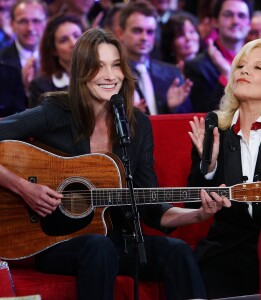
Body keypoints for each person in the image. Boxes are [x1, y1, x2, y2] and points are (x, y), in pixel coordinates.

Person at [0, 28, 231, 300]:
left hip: (118, 240)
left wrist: (198, 214)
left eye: (116, 65)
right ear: (81, 72)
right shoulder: (56, 112)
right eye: (98, 67)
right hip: (53, 242)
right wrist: (25, 188)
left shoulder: (137, 124)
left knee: (176, 252)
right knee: (99, 247)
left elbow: (150, 207)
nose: (110, 76)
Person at [187, 38, 261, 298]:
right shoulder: (215, 127)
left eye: (258, 67)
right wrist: (209, 168)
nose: (244, 71)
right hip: (228, 248)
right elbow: (194, 201)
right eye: (241, 66)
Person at [117, 0, 193, 114]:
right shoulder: (112, 75)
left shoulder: (172, 74)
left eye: (150, 32)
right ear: (120, 33)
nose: (144, 37)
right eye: (137, 31)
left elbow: (189, 118)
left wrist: (172, 108)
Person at [184, 0, 253, 113]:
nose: (235, 21)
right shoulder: (197, 67)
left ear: (249, 24)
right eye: (228, 15)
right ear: (215, 21)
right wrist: (227, 75)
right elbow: (206, 113)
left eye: (241, 16)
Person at [28, 13, 84, 107]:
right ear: (54, 50)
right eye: (64, 40)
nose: (73, 43)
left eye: (77, 35)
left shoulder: (100, 75)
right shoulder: (41, 86)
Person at [0, 0, 48, 99]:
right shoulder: (1, 60)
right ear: (12, 24)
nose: (30, 28)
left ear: (46, 23)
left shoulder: (57, 58)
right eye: (23, 21)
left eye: (36, 21)